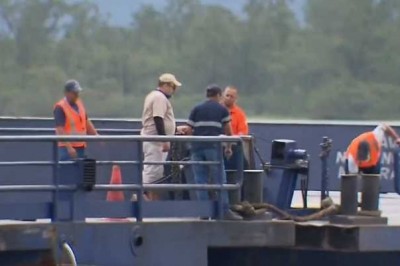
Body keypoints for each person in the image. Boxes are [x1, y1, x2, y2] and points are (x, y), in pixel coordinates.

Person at [183, 84, 242, 220]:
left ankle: (204, 213)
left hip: (197, 148)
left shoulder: (196, 109)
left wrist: (191, 144)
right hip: (213, 148)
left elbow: (189, 129)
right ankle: (224, 211)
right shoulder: (222, 110)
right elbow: (228, 131)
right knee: (219, 180)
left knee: (200, 181)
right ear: (218, 95)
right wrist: (228, 147)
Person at [141, 73, 182, 201]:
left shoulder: (153, 96)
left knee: (154, 170)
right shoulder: (160, 98)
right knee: (153, 171)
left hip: (153, 139)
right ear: (165, 85)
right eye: (172, 87)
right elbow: (158, 118)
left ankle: (148, 198)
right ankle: (145, 198)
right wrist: (164, 139)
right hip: (155, 142)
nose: (174, 90)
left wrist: (174, 130)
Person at [54, 80, 98, 161]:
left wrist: (96, 136)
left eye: (77, 92)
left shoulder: (79, 104)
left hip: (81, 146)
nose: (77, 95)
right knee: (68, 171)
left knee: (79, 172)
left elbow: (86, 120)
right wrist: (69, 148)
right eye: (74, 93)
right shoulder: (60, 107)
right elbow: (60, 130)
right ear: (67, 93)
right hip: (66, 148)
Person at [221, 86, 249, 170]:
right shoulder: (217, 109)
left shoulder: (239, 113)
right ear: (223, 95)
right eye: (227, 95)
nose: (229, 98)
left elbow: (243, 132)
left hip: (234, 145)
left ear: (236, 99)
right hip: (218, 145)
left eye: (231, 96)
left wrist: (231, 140)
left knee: (245, 166)